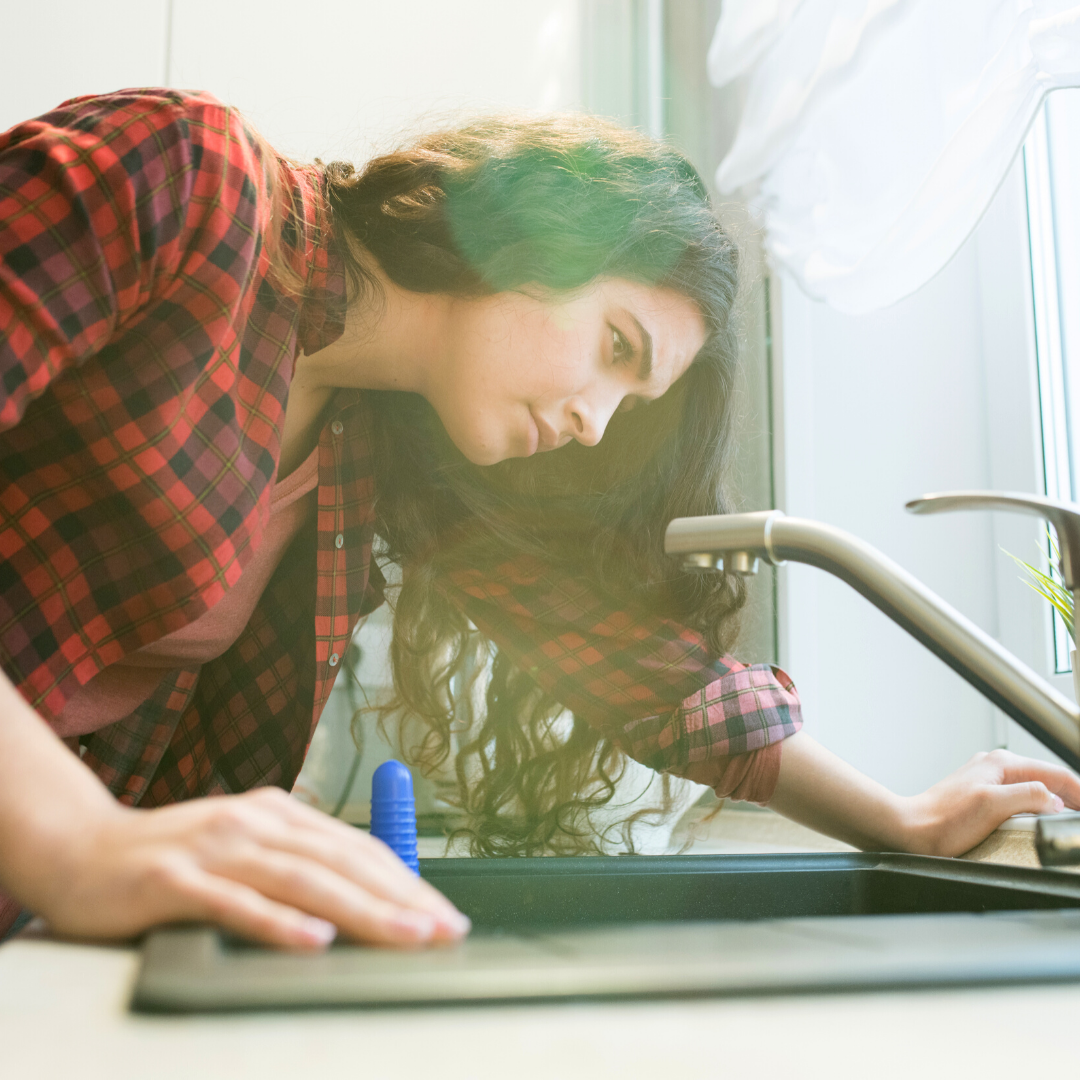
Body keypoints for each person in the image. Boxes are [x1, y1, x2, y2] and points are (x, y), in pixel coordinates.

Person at [1, 88, 1077, 952]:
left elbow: (636, 667)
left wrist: (897, 820)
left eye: (632, 404)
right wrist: (80, 841)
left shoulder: (375, 447)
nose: (597, 426)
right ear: (531, 229)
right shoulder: (188, 180)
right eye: (616, 347)